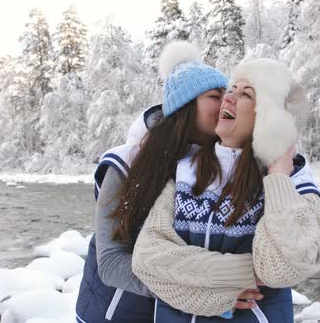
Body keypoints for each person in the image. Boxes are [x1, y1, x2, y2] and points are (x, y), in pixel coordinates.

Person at [132, 59, 320, 322]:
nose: (229, 97)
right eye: (231, 89)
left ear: (269, 116)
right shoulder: (186, 170)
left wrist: (278, 177)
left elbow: (286, 269)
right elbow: (147, 259)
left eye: (245, 94)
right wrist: (235, 280)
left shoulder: (295, 180)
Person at [75, 41, 232, 323]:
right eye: (215, 95)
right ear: (185, 106)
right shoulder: (126, 164)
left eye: (228, 94)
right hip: (115, 312)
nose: (227, 103)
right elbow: (110, 264)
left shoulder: (222, 165)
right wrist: (193, 290)